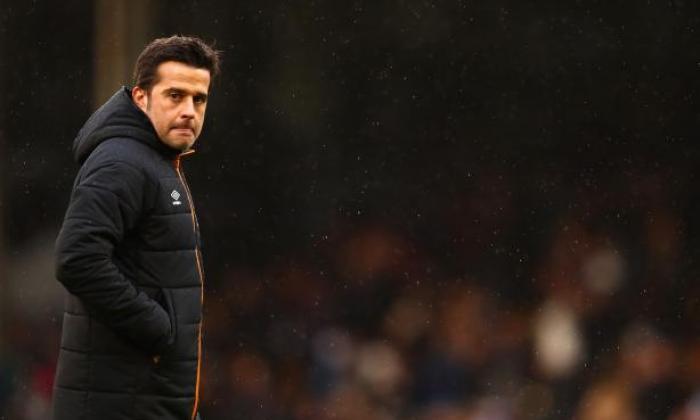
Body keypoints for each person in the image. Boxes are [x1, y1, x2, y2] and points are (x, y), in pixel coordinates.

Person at [52, 35, 220, 420]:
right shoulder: (122, 162)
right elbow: (76, 259)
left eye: (199, 99)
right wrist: (158, 328)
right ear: (141, 97)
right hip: (122, 404)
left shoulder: (155, 161)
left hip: (144, 399)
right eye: (175, 96)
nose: (189, 111)